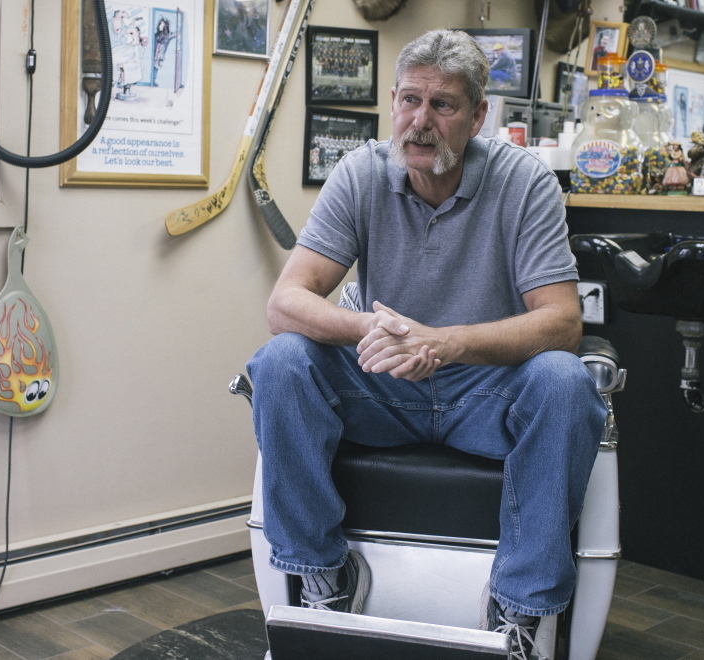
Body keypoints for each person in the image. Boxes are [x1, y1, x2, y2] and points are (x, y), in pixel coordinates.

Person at [247, 29, 606, 658]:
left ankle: (520, 612)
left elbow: (561, 323)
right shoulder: (360, 174)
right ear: (392, 103)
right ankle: (324, 575)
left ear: (476, 116)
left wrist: (444, 342)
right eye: (410, 100)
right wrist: (373, 328)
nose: (421, 121)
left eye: (442, 105)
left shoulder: (524, 183)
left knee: (564, 379)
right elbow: (286, 302)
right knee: (280, 361)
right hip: (386, 385)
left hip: (484, 394)